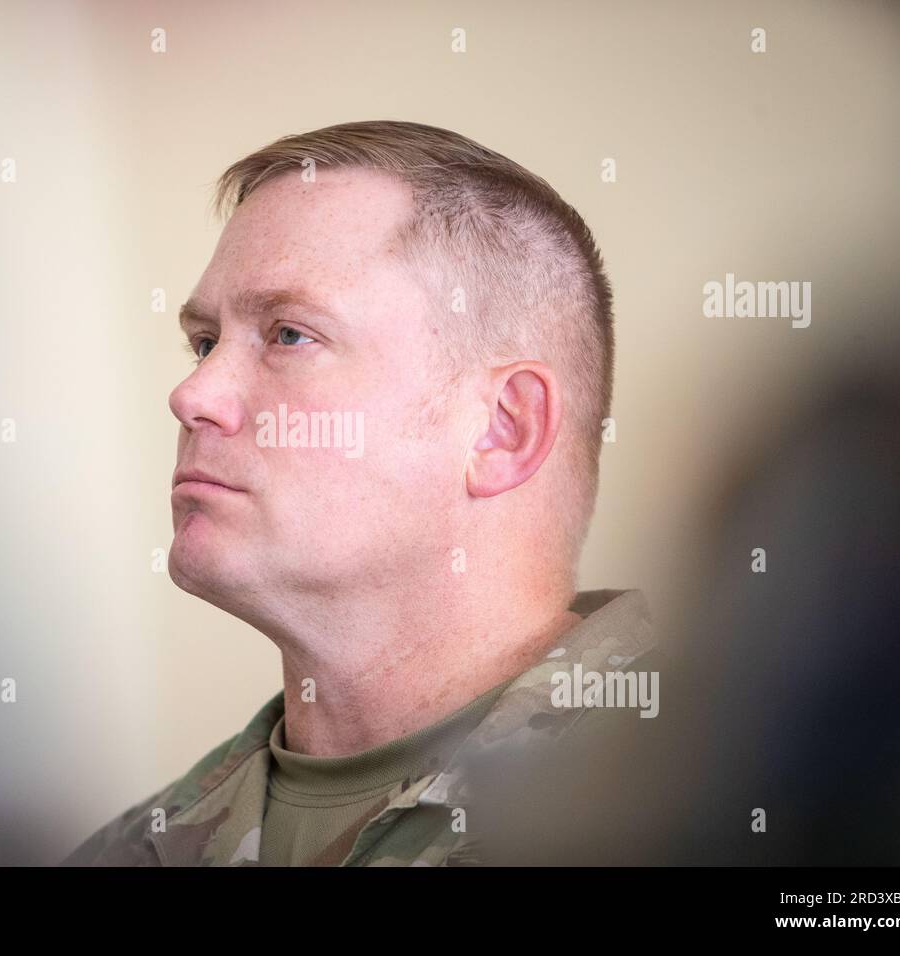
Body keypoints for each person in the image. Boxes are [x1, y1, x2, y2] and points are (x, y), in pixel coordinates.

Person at [63, 119, 656, 866]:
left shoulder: (727, 803)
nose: (193, 395)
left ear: (502, 429)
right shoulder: (130, 853)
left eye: (289, 335)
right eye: (205, 342)